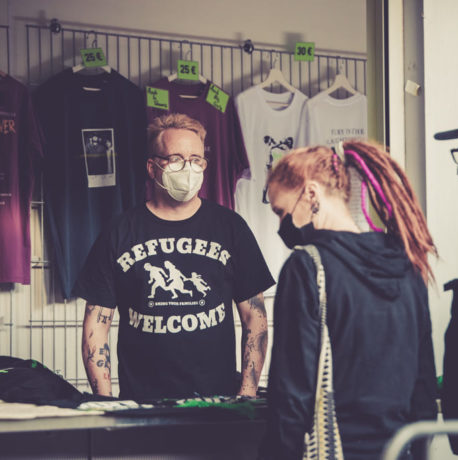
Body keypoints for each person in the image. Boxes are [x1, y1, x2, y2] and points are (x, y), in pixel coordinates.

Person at [74, 113, 274, 400]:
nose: (188, 168)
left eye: (196, 159)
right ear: (152, 167)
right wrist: (105, 403)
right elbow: (96, 324)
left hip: (217, 403)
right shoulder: (120, 231)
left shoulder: (230, 228)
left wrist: (247, 394)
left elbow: (255, 317)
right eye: (176, 159)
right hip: (142, 403)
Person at [260, 140, 438, 460]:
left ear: (311, 194)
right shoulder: (408, 264)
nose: (280, 225)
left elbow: (292, 395)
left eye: (281, 212)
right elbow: (423, 385)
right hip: (401, 450)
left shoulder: (306, 266)